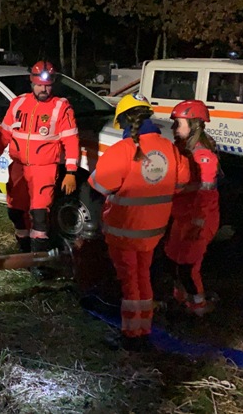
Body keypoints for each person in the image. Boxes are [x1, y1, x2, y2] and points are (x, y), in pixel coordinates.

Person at [88, 93, 190, 351]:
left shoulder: (121, 150)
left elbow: (98, 185)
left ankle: (132, 335)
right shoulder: (170, 148)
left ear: (123, 121)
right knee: (143, 277)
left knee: (130, 282)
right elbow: (181, 183)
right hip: (153, 231)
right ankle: (143, 328)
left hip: (123, 231)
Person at [0, 61, 80, 263]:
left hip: (44, 169)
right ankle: (24, 253)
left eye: (47, 86)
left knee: (39, 216)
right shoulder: (18, 103)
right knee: (16, 212)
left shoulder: (61, 108)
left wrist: (71, 172)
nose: (43, 89)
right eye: (39, 85)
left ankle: (39, 262)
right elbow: (4, 134)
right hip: (18, 167)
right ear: (32, 82)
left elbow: (71, 140)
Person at [164, 100, 220, 316]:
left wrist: (198, 222)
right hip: (182, 216)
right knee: (172, 258)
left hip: (198, 219)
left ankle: (198, 308)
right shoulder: (182, 150)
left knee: (188, 266)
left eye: (178, 123)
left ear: (194, 125)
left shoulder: (203, 156)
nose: (174, 128)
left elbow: (205, 194)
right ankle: (181, 299)